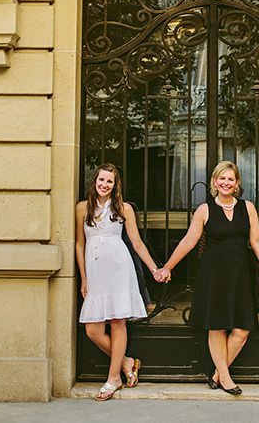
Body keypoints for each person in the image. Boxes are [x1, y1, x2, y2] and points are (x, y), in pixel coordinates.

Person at [156, 160, 259, 395]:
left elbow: (257, 241)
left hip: (240, 273)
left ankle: (217, 374)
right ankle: (226, 378)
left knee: (242, 330)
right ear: (214, 182)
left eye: (230, 178)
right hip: (213, 275)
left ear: (237, 182)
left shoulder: (247, 208)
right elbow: (188, 241)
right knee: (217, 326)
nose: (226, 182)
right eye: (222, 178)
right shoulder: (205, 210)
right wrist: (167, 267)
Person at [76, 163, 166, 401]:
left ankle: (113, 378)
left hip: (119, 268)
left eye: (110, 181)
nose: (104, 185)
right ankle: (127, 362)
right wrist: (84, 277)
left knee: (118, 323)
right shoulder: (82, 208)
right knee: (93, 329)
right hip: (95, 271)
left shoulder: (124, 208)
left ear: (116, 186)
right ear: (94, 181)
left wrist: (155, 269)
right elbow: (79, 244)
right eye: (101, 180)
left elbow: (136, 243)